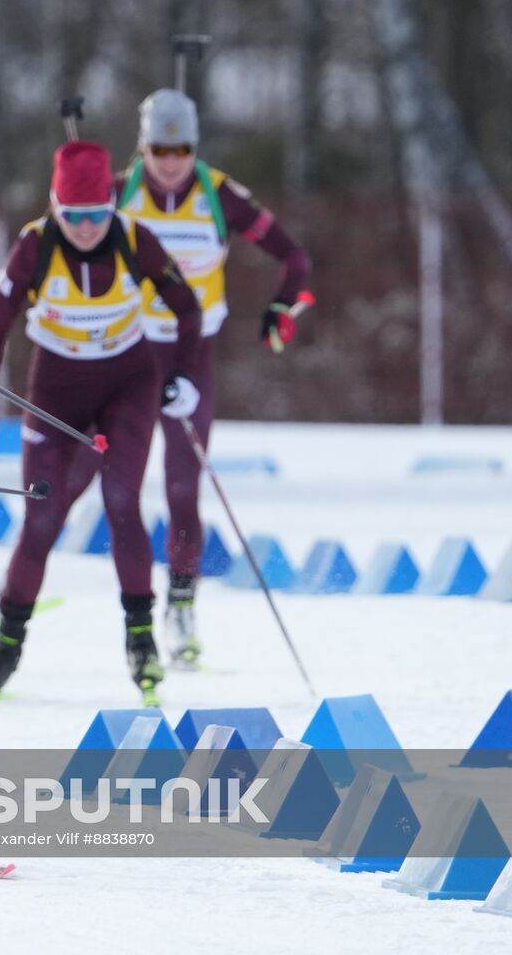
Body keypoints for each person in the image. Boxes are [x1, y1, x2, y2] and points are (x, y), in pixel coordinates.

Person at [0, 141, 202, 704]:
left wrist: (182, 376)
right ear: (55, 208)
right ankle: (7, 643)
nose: (88, 228)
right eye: (75, 216)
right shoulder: (33, 245)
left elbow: (186, 307)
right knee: (41, 517)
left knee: (122, 500)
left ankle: (140, 638)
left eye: (98, 214)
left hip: (128, 386)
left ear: (111, 209)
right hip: (55, 392)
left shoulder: (134, 238)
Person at [111, 89, 311, 664]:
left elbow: (293, 257)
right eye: (159, 148)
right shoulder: (117, 190)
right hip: (125, 352)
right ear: (143, 146)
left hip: (191, 354)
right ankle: (34, 595)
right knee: (105, 477)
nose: (171, 161)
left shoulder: (218, 193)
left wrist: (281, 306)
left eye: (182, 149)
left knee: (182, 483)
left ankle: (182, 607)